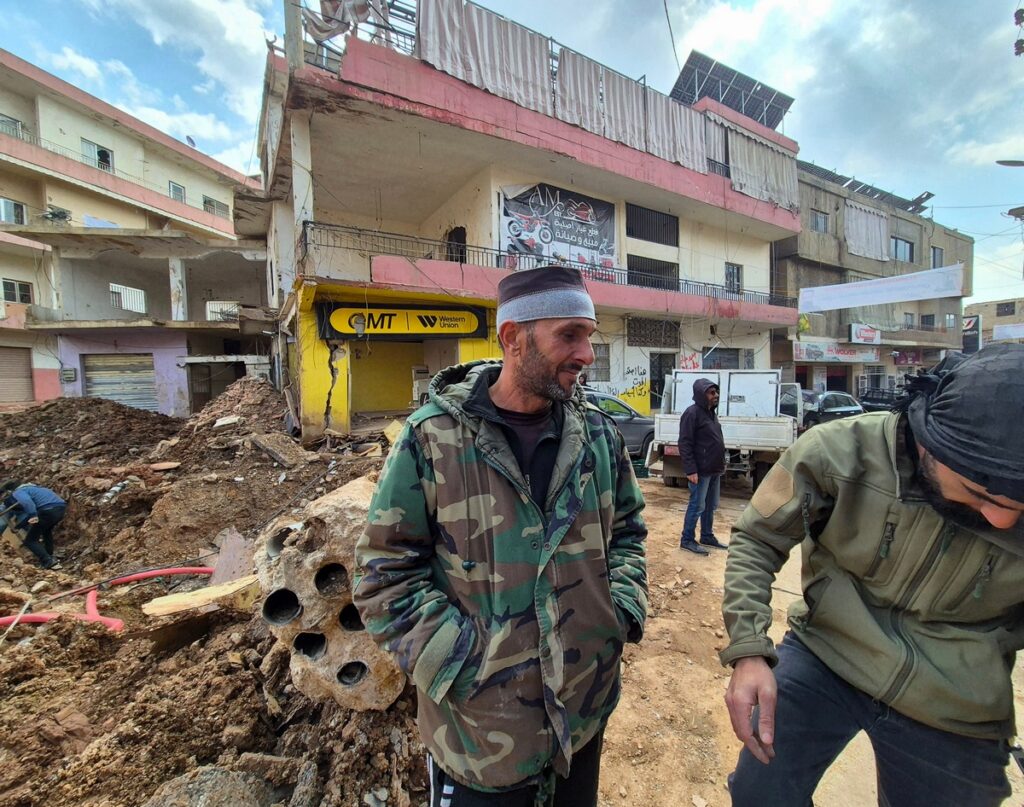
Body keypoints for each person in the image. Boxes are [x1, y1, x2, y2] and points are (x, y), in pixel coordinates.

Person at [354, 264, 648, 807]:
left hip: (583, 716)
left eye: (589, 335)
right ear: (513, 338)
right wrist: (461, 663)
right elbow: (383, 575)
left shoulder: (599, 438)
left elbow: (628, 533)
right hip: (480, 738)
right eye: (569, 335)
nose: (587, 354)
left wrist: (619, 612)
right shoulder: (431, 440)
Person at [720, 344, 1024, 806]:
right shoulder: (839, 451)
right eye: (980, 494)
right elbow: (757, 538)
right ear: (927, 443)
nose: (1002, 520)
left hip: (956, 699)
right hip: (828, 651)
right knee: (760, 790)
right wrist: (748, 652)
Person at [677, 378, 728, 555]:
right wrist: (690, 469)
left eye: (716, 392)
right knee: (697, 506)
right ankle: (687, 540)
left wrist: (722, 462)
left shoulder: (711, 413)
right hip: (700, 470)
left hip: (714, 469)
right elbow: (684, 443)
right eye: (712, 393)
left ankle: (707, 536)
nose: (716, 395)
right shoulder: (692, 413)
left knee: (710, 505)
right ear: (701, 394)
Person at [0, 480, 66, 570]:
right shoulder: (34, 488)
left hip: (47, 510)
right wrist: (18, 527)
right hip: (60, 508)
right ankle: (50, 556)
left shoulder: (18, 492)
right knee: (46, 531)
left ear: (9, 491)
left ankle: (48, 561)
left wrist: (33, 515)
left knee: (30, 541)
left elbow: (27, 501)